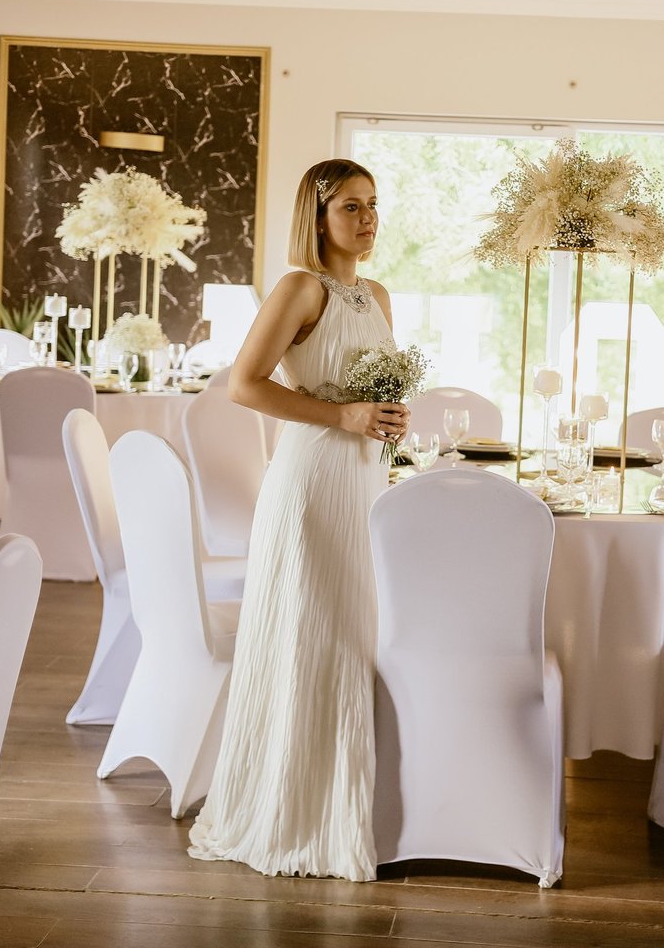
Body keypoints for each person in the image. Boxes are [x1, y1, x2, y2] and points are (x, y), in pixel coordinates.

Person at [187, 158, 408, 881]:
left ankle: (356, 807)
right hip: (312, 480)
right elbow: (244, 385)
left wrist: (387, 419)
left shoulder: (375, 293)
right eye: (352, 206)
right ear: (317, 217)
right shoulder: (299, 287)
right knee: (314, 632)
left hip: (365, 481)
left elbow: (371, 386)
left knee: (358, 633)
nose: (368, 219)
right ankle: (289, 811)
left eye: (373, 205)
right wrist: (343, 414)